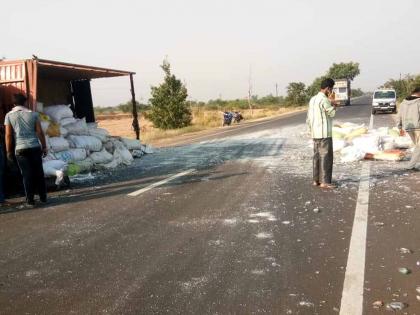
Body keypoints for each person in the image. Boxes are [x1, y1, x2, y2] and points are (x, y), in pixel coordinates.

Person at [4, 93, 48, 206]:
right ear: (25, 102)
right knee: (39, 172)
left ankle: (30, 200)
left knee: (27, 175)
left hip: (20, 149)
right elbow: (39, 132)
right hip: (34, 147)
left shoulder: (9, 115)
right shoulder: (33, 114)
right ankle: (43, 197)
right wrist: (44, 147)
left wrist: (9, 152)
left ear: (13, 103)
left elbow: (8, 135)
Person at [306, 78, 338, 189]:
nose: (332, 91)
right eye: (331, 89)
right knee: (326, 157)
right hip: (325, 133)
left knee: (317, 157)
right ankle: (325, 182)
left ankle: (316, 180)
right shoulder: (324, 100)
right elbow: (332, 113)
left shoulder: (313, 99)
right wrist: (334, 103)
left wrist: (310, 130)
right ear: (328, 89)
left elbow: (308, 118)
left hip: (315, 133)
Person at [397, 87, 420, 171]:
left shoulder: (403, 102)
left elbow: (399, 116)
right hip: (418, 127)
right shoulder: (418, 102)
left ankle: (413, 164)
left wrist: (399, 127)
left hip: (408, 127)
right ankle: (410, 166)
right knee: (419, 146)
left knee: (418, 146)